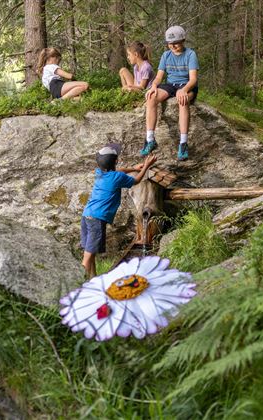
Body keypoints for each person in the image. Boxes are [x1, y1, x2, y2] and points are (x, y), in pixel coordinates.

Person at [81, 144, 157, 278]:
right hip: (97, 219)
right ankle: (78, 284)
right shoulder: (116, 177)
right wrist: (146, 165)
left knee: (89, 253)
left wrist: (133, 168)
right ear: (115, 161)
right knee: (87, 258)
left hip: (87, 215)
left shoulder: (99, 173)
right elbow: (137, 180)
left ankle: (93, 280)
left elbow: (119, 171)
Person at [141, 25, 199, 161]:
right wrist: (153, 86)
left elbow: (193, 80)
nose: (172, 46)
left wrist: (184, 90)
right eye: (170, 44)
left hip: (186, 85)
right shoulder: (166, 55)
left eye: (176, 43)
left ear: (183, 41)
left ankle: (183, 143)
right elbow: (159, 76)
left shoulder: (190, 54)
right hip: (171, 84)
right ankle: (150, 139)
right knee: (151, 98)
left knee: (183, 100)